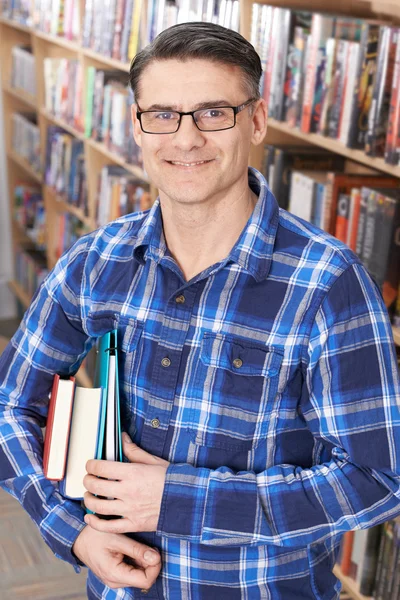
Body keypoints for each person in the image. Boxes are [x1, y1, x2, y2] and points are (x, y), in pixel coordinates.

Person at [1, 21, 400, 600]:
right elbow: (10, 403)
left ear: (256, 121)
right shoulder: (96, 261)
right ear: (137, 126)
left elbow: (378, 479)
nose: (185, 139)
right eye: (162, 114)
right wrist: (74, 533)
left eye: (214, 113)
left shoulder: (329, 283)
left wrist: (177, 498)